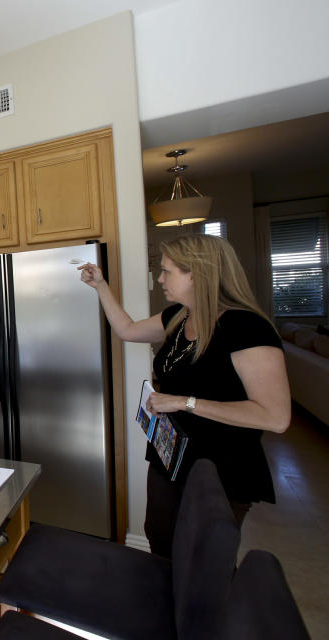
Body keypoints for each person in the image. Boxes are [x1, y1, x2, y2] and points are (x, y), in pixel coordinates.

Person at [78, 234, 290, 557]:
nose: (160, 279)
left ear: (197, 274)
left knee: (202, 559)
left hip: (219, 468)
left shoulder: (246, 328)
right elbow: (127, 330)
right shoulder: (179, 316)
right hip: (170, 456)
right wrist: (101, 286)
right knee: (160, 539)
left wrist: (183, 402)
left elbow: (275, 416)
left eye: (167, 271)